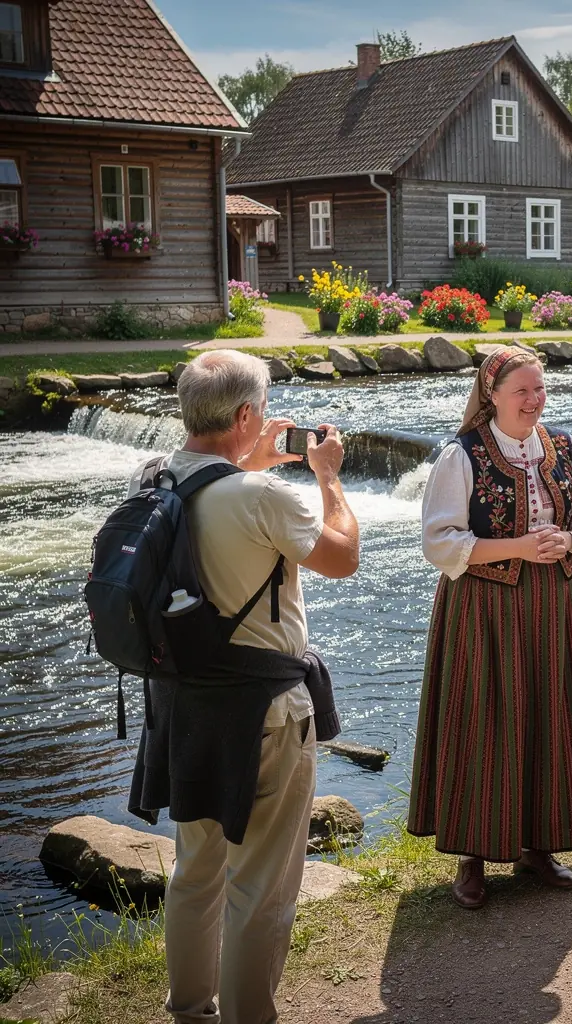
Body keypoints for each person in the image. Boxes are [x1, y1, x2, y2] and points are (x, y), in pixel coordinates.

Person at [127, 350, 360, 1024]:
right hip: (262, 709)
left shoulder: (154, 478)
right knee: (260, 886)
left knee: (196, 868)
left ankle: (191, 1009)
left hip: (181, 702)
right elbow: (342, 556)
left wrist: (247, 461)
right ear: (247, 414)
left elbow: (214, 510)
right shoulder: (260, 497)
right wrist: (328, 478)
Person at [409, 348, 572, 909]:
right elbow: (440, 542)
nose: (534, 400)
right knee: (483, 718)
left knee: (550, 712)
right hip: (483, 606)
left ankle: (539, 846)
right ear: (492, 394)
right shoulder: (462, 455)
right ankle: (472, 857)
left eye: (540, 389)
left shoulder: (568, 449)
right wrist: (520, 547)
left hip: (556, 602)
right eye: (522, 390)